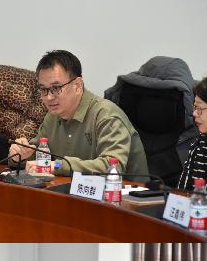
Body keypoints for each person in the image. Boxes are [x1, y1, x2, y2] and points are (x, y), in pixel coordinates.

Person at [8, 50, 149, 177]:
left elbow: (112, 166)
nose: (49, 97)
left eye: (56, 88)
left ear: (77, 85)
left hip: (125, 193)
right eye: (43, 89)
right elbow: (36, 157)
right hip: (75, 191)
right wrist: (19, 155)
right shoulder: (52, 116)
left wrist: (58, 166)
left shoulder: (106, 115)